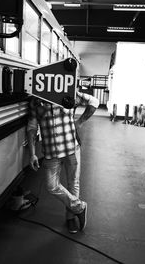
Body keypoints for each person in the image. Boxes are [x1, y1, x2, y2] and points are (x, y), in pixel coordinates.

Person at [27, 90, 99, 234]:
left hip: (71, 148)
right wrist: (32, 154)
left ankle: (70, 218)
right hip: (51, 152)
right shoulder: (36, 98)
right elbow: (32, 127)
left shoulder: (69, 90)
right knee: (51, 186)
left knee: (74, 184)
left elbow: (94, 102)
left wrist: (79, 122)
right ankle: (80, 207)